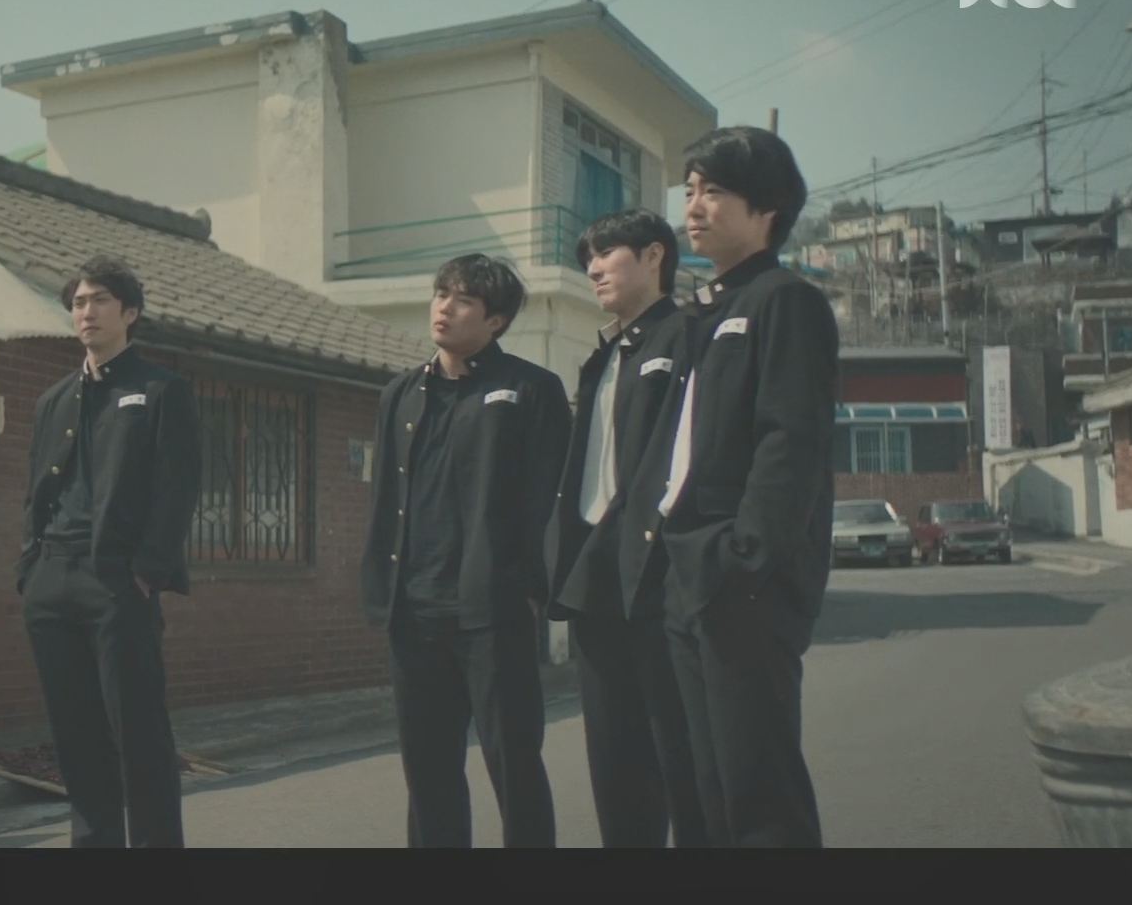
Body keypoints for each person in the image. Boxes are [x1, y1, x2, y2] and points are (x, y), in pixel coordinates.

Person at [621, 125, 838, 847]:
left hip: (740, 581)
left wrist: (745, 560)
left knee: (758, 797)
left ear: (766, 207)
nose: (694, 206)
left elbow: (790, 443)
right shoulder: (701, 314)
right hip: (684, 574)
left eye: (714, 191)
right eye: (689, 190)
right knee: (703, 794)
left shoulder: (785, 302)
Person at [358, 253, 570, 847]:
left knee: (514, 763)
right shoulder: (401, 394)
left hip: (492, 610)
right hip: (414, 610)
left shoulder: (531, 389)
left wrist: (532, 589)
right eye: (440, 294)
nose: (444, 308)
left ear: (495, 320)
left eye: (463, 300)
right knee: (427, 772)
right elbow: (385, 497)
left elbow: (547, 498)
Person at [17, 256, 200, 847]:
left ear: (130, 312)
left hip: (118, 583)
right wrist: (30, 567)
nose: (86, 312)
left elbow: (177, 489)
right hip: (52, 580)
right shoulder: (53, 399)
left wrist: (147, 570)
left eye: (99, 300)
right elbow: (35, 490)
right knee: (76, 737)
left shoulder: (160, 390)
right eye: (78, 302)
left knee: (139, 734)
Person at [544, 209, 705, 848]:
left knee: (681, 756)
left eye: (606, 254)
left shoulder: (689, 336)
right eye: (588, 259)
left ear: (654, 256)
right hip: (596, 579)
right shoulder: (604, 354)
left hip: (661, 581)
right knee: (614, 762)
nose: (593, 269)